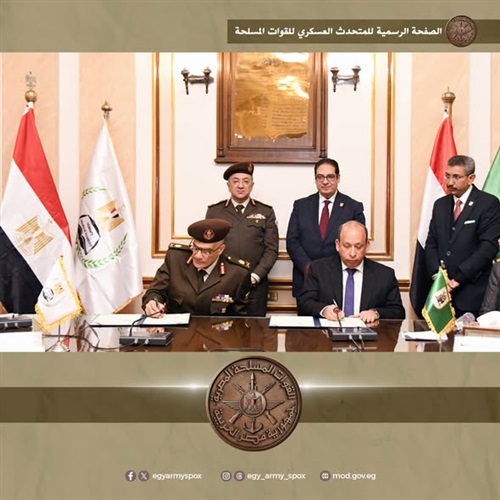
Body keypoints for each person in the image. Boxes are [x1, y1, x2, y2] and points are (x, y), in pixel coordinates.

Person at [425, 155, 500, 318]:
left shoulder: (488, 204)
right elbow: (431, 243)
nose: (450, 182)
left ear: (471, 178)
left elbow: (488, 247)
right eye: (447, 176)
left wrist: (458, 279)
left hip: (472, 294)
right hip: (440, 292)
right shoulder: (440, 205)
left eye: (456, 177)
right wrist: (438, 277)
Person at [206, 162, 278, 316]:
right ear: (228, 186)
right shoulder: (215, 212)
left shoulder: (265, 211)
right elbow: (208, 248)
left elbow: (271, 250)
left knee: (256, 328)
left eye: (245, 181)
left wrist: (255, 276)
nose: (240, 186)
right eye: (236, 181)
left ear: (252, 186)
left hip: (255, 285)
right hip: (222, 282)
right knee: (222, 328)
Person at [286, 158, 365, 297]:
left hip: (338, 279)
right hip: (305, 279)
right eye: (320, 177)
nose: (325, 181)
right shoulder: (301, 206)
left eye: (330, 177)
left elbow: (357, 243)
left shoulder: (353, 207)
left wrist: (331, 270)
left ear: (338, 178)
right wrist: (308, 268)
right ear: (315, 179)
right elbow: (292, 242)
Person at [297, 221, 405, 322]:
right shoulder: (318, 269)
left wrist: (376, 313)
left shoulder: (385, 275)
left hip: (369, 334)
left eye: (358, 246)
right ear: (337, 245)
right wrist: (324, 310)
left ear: (367, 246)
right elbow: (304, 303)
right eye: (347, 246)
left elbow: (398, 311)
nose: (352, 253)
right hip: (328, 334)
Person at [142, 219, 252, 316]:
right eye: (195, 248)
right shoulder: (175, 259)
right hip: (176, 332)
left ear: (220, 249)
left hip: (214, 333)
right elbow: (155, 291)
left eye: (207, 251)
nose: (198, 255)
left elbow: (239, 320)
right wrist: (152, 302)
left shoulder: (237, 274)